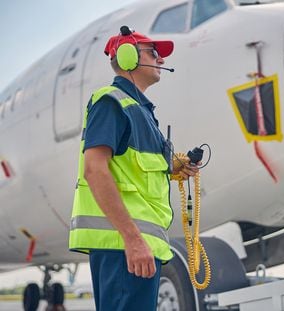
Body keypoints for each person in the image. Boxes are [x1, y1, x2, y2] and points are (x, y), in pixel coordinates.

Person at [68, 26, 197, 311]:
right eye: (153, 53)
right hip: (124, 246)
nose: (161, 59)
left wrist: (175, 167)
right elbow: (94, 170)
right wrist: (133, 240)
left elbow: (135, 170)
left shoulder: (142, 112)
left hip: (137, 246)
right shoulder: (111, 102)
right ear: (127, 57)